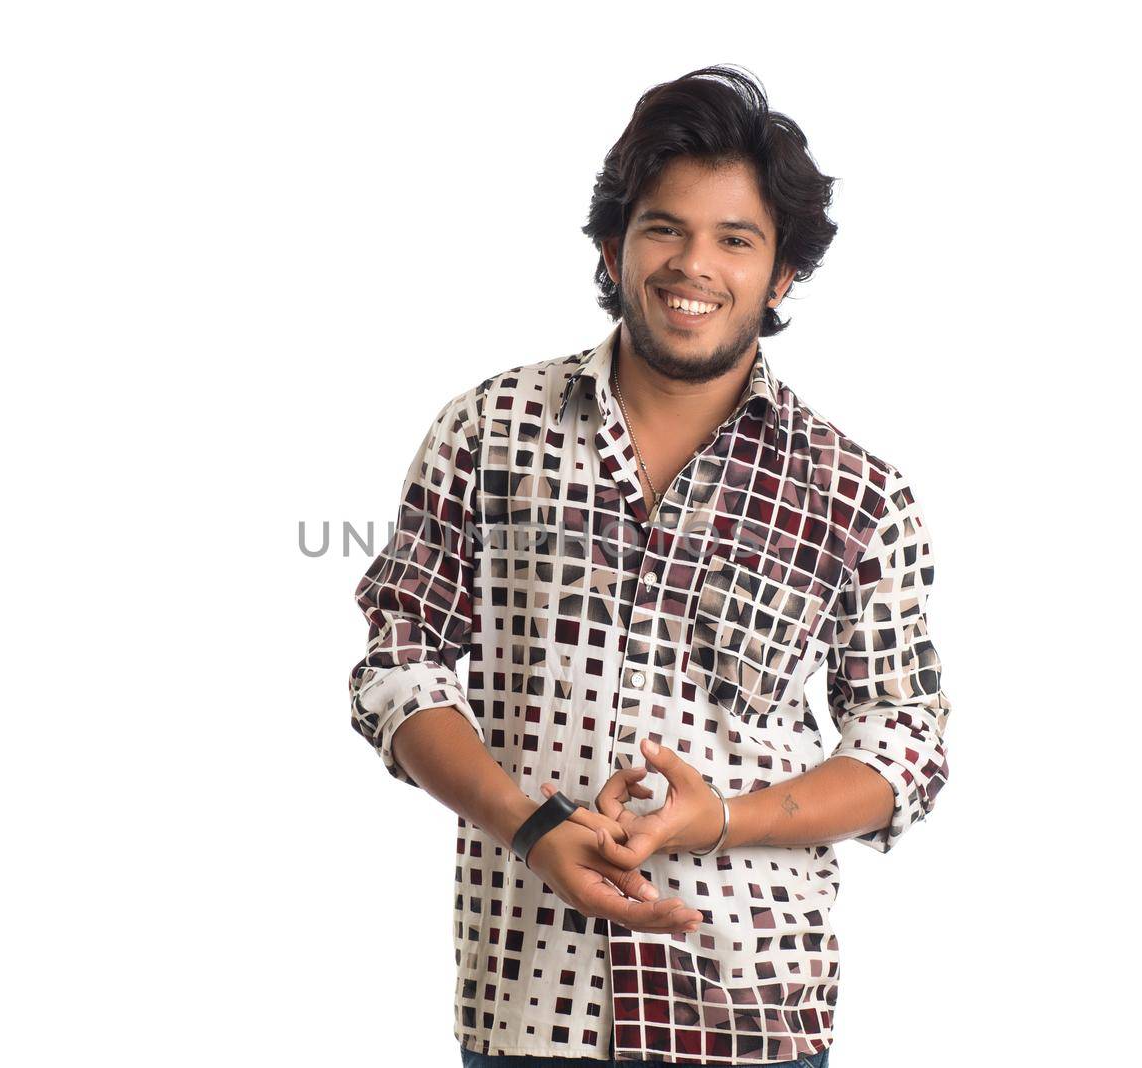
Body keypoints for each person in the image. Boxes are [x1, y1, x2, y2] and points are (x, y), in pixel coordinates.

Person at [348, 65, 951, 1068]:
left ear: (784, 273)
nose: (693, 266)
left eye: (736, 239)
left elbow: (905, 744)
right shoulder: (489, 432)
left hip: (750, 1005)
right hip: (530, 998)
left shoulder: (856, 493)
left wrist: (718, 819)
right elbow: (397, 668)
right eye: (665, 227)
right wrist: (534, 825)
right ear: (612, 244)